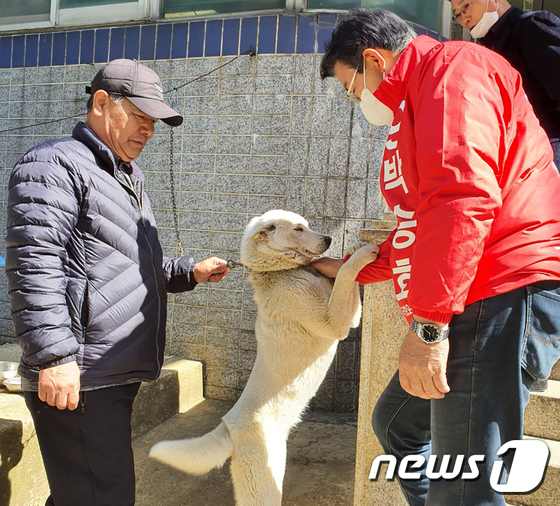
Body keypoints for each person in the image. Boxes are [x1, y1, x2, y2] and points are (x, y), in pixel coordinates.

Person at [313, 8, 560, 506]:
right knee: (397, 424)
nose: (354, 99)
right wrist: (353, 267)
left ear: (373, 60)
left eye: (350, 87)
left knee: (466, 488)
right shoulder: (423, 94)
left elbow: (461, 200)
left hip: (503, 288)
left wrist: (428, 328)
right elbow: (420, 226)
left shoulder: (453, 74)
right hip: (481, 286)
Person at [5, 59, 229, 506]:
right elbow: (35, 264)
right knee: (102, 496)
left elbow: (128, 266)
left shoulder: (122, 175)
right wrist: (54, 357)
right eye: (140, 117)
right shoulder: (53, 164)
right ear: (102, 103)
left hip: (109, 371)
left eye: (154, 123)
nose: (148, 131)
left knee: (83, 492)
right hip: (81, 375)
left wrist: (189, 271)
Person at [449, 0, 560, 169]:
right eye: (457, 14)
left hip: (547, 160)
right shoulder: (485, 49)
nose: (464, 19)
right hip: (515, 164)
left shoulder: (530, 26)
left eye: (466, 6)